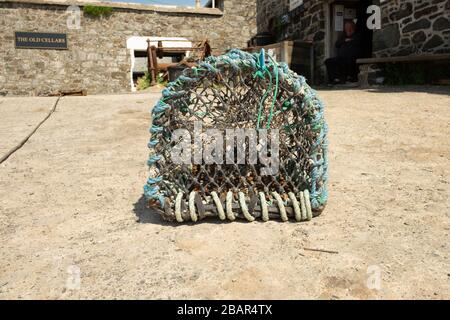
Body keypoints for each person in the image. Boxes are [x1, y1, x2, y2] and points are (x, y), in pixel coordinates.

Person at [325, 20, 362, 85]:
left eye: (349, 27)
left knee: (350, 60)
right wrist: (345, 40)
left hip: (352, 57)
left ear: (353, 27)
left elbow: (356, 43)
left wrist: (347, 41)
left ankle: (350, 78)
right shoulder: (343, 36)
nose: (347, 29)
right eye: (346, 27)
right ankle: (335, 79)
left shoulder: (357, 35)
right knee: (328, 61)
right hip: (342, 57)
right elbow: (337, 44)